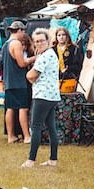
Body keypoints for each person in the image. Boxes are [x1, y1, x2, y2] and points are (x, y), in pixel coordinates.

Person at [22, 28, 60, 167]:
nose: (39, 43)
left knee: (36, 126)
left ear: (48, 41)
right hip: (52, 95)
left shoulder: (44, 56)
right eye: (36, 41)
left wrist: (29, 76)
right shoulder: (50, 54)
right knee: (51, 127)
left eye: (42, 41)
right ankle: (53, 159)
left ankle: (31, 160)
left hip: (42, 95)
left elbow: (31, 75)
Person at [1, 21, 36, 144]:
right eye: (24, 31)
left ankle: (11, 136)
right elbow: (22, 63)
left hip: (9, 82)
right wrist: (36, 57)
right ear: (20, 31)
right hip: (18, 81)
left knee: (10, 108)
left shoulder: (5, 44)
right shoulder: (16, 44)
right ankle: (27, 136)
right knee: (23, 108)